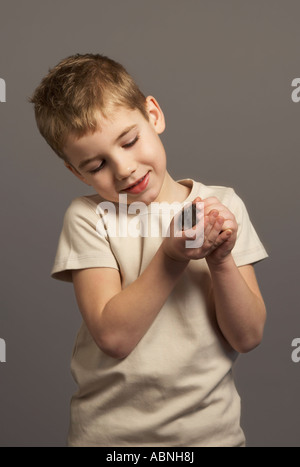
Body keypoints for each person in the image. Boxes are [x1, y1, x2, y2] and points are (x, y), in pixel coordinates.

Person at [30, 53, 268, 447]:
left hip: (211, 437)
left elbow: (247, 336)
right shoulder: (90, 218)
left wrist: (221, 260)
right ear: (76, 172)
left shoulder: (222, 205)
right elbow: (114, 337)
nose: (123, 168)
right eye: (95, 165)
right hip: (110, 441)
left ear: (153, 115)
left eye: (129, 141)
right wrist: (172, 256)